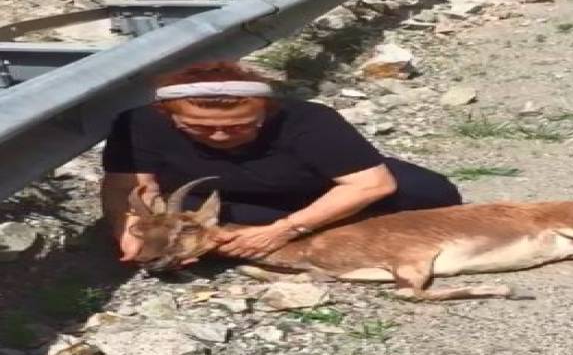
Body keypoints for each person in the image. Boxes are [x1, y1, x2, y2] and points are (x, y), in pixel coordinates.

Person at [100, 61, 462, 265]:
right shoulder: (138, 124)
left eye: (239, 126)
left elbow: (372, 184)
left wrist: (286, 229)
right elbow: (126, 185)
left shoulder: (309, 120)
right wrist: (128, 230)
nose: (221, 136)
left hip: (313, 189)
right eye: (200, 128)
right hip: (219, 196)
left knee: (430, 193)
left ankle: (319, 225)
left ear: (267, 112)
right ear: (167, 115)